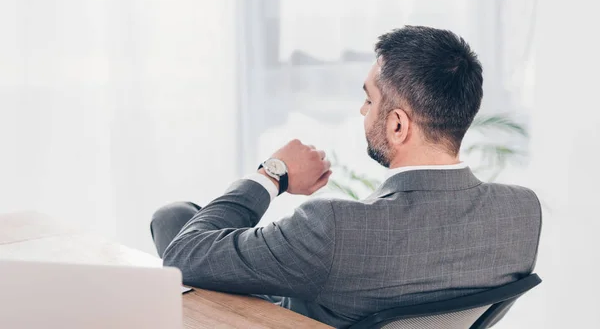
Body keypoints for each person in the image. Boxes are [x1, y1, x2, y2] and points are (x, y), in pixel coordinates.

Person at [150, 26, 542, 328]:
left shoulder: (336, 228)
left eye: (370, 100)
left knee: (174, 220)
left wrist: (274, 174)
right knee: (180, 217)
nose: (362, 111)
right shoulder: (522, 213)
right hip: (354, 301)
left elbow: (185, 254)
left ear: (398, 125)